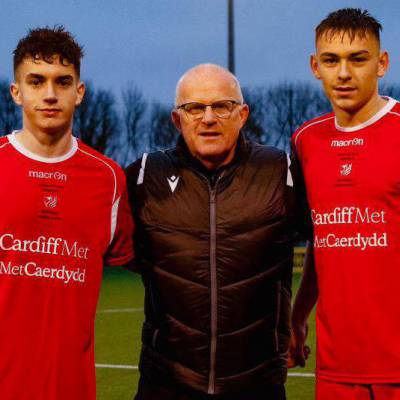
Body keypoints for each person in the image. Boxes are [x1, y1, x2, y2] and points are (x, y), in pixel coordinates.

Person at [126, 64, 295, 400]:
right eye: (194, 108)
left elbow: (331, 240)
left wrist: (300, 315)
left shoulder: (279, 171)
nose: (207, 118)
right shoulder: (145, 176)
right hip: (165, 384)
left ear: (242, 114)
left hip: (257, 385)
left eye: (222, 106)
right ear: (177, 119)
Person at [2, 26, 134, 399]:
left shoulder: (108, 178)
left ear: (79, 92)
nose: (49, 94)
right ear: (16, 91)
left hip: (72, 388)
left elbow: (136, 260)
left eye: (62, 82)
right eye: (35, 81)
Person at [290, 8, 400, 400]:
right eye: (331, 60)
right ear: (315, 66)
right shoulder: (306, 140)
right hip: (337, 366)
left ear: (381, 63)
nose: (343, 73)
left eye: (358, 58)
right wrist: (298, 316)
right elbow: (321, 238)